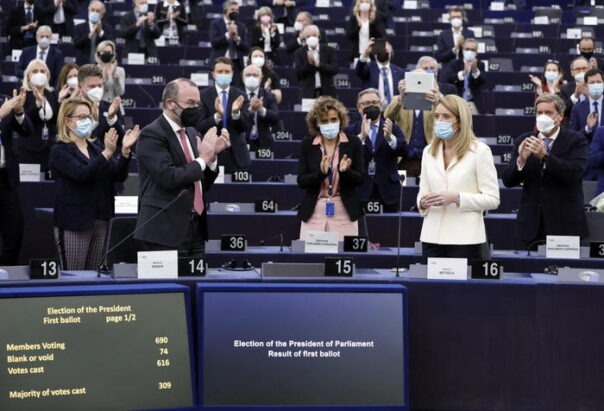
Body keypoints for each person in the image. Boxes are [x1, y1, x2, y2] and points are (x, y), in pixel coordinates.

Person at [135, 78, 228, 256]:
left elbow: (202, 183)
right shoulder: (152, 133)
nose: (196, 108)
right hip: (163, 232)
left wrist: (212, 158)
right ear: (171, 103)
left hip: (196, 228)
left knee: (197, 275)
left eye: (198, 104)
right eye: (190, 103)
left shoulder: (192, 132)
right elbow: (169, 177)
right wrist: (202, 159)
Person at [49, 98, 138, 270]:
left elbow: (118, 176)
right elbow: (82, 174)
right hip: (75, 222)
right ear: (68, 121)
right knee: (74, 275)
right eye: (82, 117)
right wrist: (107, 153)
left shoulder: (96, 148)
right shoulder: (59, 150)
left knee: (95, 276)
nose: (87, 121)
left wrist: (125, 151)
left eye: (89, 117)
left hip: (101, 219)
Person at [417, 94, 499, 259]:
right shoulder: (428, 151)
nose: (440, 121)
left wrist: (457, 197)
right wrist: (422, 203)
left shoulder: (480, 151)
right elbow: (423, 191)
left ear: (460, 121)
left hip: (465, 239)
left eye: (446, 116)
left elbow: (492, 199)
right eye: (437, 116)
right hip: (432, 238)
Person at [502, 93, 588, 249]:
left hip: (564, 225)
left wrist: (545, 156)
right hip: (530, 226)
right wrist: (521, 160)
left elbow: (574, 173)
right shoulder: (524, 140)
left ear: (560, 116)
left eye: (549, 113)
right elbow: (508, 181)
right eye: (539, 112)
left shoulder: (576, 140)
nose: (543, 116)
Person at [298, 97, 365, 241]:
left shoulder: (353, 142)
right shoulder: (307, 144)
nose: (330, 124)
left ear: (340, 120)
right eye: (324, 121)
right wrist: (320, 173)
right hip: (314, 211)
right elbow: (302, 181)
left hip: (345, 211)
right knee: (312, 254)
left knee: (343, 253)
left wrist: (346, 172)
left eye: (333, 119)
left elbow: (360, 179)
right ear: (316, 123)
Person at [345, 88, 407, 211]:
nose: (371, 106)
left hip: (388, 192)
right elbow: (344, 155)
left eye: (375, 102)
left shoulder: (392, 127)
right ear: (359, 108)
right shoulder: (350, 130)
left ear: (381, 105)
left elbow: (404, 151)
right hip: (359, 191)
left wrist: (390, 138)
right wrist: (361, 137)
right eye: (367, 103)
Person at [384, 65, 441, 176]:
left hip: (428, 157)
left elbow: (446, 118)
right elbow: (388, 116)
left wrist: (437, 100)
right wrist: (401, 98)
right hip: (404, 157)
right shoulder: (399, 99)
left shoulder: (435, 102)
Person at [196, 57, 250, 172]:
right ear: (213, 74)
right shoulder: (202, 96)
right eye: (220, 72)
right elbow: (199, 126)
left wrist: (236, 113)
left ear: (232, 74)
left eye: (227, 72)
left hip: (237, 155)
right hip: (210, 154)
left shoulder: (241, 96)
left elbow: (245, 126)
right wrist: (218, 116)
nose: (223, 74)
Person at [0, 88, 32, 265]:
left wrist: (19, 112)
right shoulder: (3, 108)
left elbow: (27, 130)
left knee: (14, 229)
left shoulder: (5, 102)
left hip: (6, 178)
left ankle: (6, 272)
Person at [18, 59, 58, 172]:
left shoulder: (53, 94)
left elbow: (57, 121)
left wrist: (61, 102)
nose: (39, 74)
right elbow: (23, 122)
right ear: (28, 76)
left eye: (42, 71)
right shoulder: (23, 94)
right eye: (35, 71)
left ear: (47, 75)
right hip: (29, 149)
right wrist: (37, 105)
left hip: (50, 148)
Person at [77, 64, 124, 144]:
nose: (97, 89)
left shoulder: (111, 108)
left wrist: (111, 119)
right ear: (80, 87)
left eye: (100, 85)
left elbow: (121, 142)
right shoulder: (71, 109)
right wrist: (93, 122)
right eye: (92, 86)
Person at [440, 38, 486, 114]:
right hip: (457, 100)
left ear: (476, 52)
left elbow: (482, 82)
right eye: (467, 49)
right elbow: (448, 79)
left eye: (472, 50)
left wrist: (475, 71)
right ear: (463, 50)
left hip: (472, 102)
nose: (470, 51)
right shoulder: (454, 63)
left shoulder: (480, 64)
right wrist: (463, 73)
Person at [209, 0, 249, 83]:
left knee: (236, 88)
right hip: (220, 62)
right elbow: (214, 42)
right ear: (225, 10)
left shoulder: (241, 26)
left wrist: (237, 39)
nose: (235, 12)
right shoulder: (216, 23)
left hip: (236, 64)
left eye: (237, 10)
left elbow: (246, 47)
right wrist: (228, 35)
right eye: (232, 10)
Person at [294, 25, 338, 99]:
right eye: (308, 36)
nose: (312, 38)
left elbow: (334, 69)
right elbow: (298, 73)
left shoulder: (329, 50)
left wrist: (319, 65)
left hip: (327, 92)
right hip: (308, 93)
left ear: (319, 37)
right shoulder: (299, 52)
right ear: (304, 39)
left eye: (314, 35)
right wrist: (310, 63)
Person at [242, 64, 279, 151]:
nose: (251, 78)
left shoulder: (269, 96)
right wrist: (248, 111)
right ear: (243, 78)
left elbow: (275, 117)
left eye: (255, 75)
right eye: (248, 75)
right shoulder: (236, 95)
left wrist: (261, 110)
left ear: (261, 78)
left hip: (263, 143)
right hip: (241, 142)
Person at [355, 39, 403, 105]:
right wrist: (365, 54)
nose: (386, 51)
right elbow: (359, 71)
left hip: (394, 109)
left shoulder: (399, 72)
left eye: (388, 49)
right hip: (373, 108)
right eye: (383, 49)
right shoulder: (368, 69)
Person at [434, 6, 473, 78]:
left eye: (458, 17)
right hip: (447, 72)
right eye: (453, 17)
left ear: (462, 18)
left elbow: (472, 54)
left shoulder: (470, 33)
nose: (456, 19)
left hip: (464, 70)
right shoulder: (443, 35)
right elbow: (439, 57)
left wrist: (463, 45)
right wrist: (455, 48)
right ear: (449, 19)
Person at [73, 0, 114, 65]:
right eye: (92, 10)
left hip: (100, 64)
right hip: (83, 64)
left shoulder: (107, 28)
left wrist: (100, 32)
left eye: (98, 11)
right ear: (88, 11)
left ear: (102, 15)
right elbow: (76, 44)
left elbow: (111, 45)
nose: (94, 13)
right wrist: (90, 35)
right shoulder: (79, 27)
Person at [569, 68, 603, 142]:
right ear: (586, 85)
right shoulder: (577, 108)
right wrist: (587, 128)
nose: (596, 85)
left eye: (598, 82)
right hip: (586, 147)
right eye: (592, 83)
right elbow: (572, 136)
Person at [559, 57, 589, 123]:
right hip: (573, 126)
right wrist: (575, 96)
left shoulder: (597, 86)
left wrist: (589, 95)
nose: (581, 71)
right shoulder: (565, 89)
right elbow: (563, 111)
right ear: (572, 72)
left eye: (584, 68)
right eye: (578, 69)